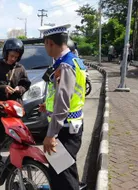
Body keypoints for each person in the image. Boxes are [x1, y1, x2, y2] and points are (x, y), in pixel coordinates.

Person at [38, 24, 87, 190]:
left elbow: (64, 103)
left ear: (50, 43)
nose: (45, 48)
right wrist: (48, 106)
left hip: (64, 129)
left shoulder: (65, 65)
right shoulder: (74, 61)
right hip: (70, 126)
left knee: (62, 179)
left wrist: (51, 135)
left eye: (45, 44)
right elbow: (68, 96)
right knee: (67, 171)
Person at [0, 38, 31, 150]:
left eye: (16, 57)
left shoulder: (20, 69)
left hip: (15, 108)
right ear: (6, 53)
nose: (13, 59)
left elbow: (26, 84)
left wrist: (20, 88)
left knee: (17, 135)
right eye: (11, 56)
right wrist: (2, 88)